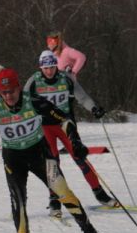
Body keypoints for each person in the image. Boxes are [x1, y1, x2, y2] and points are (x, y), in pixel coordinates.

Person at [0, 68, 110, 233]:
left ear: (19, 87)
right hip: (13, 159)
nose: (8, 96)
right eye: (4, 92)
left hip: (39, 154)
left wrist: (74, 138)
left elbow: (64, 119)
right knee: (18, 201)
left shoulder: (33, 101)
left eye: (12, 91)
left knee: (63, 191)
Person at [24, 50, 115, 213]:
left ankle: (100, 194)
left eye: (52, 67)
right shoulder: (34, 81)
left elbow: (83, 97)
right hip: (44, 127)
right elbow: (23, 102)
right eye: (45, 68)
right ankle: (54, 199)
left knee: (80, 156)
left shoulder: (66, 79)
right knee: (52, 163)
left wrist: (94, 108)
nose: (49, 71)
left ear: (55, 66)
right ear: (40, 68)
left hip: (65, 124)